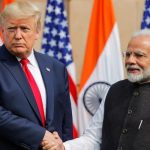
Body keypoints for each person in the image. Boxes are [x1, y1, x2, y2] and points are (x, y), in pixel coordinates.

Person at [42, 29, 150, 150]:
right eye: (128, 54)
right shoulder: (115, 90)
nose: (130, 60)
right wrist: (64, 147)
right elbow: (93, 138)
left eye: (139, 55)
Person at [0, 1, 73, 150]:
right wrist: (39, 135)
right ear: (2, 31)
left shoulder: (56, 68)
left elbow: (65, 121)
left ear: (37, 32)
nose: (18, 35)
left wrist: (64, 145)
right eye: (12, 29)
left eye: (24, 29)